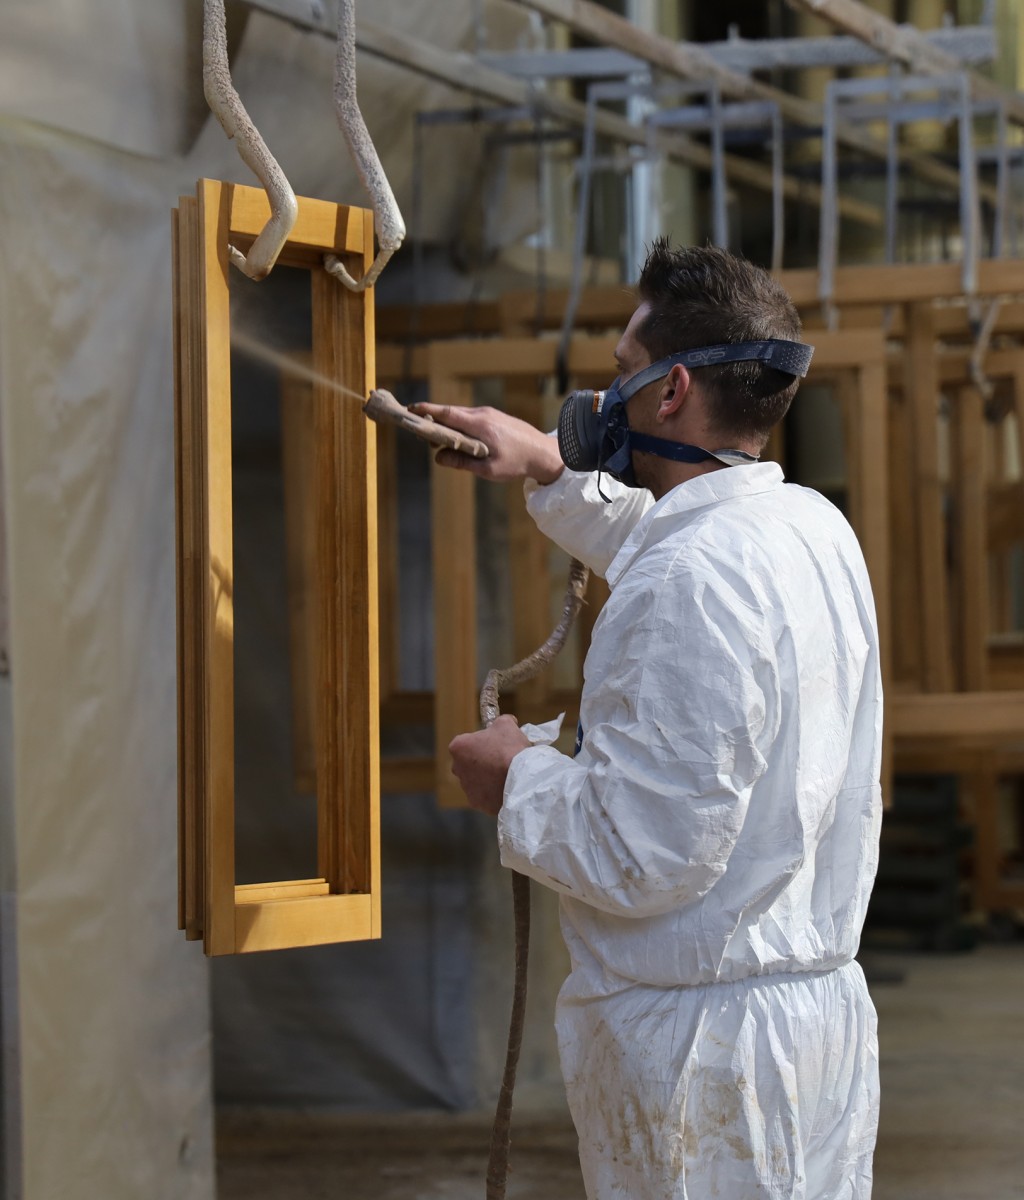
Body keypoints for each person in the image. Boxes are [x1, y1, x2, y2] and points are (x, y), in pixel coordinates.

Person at [414, 240, 882, 1200]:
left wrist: (516, 778)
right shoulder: (805, 527)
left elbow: (647, 854)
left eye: (622, 375)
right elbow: (676, 548)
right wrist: (547, 464)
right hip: (801, 1027)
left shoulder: (692, 580)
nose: (602, 399)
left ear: (671, 393)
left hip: (705, 1063)